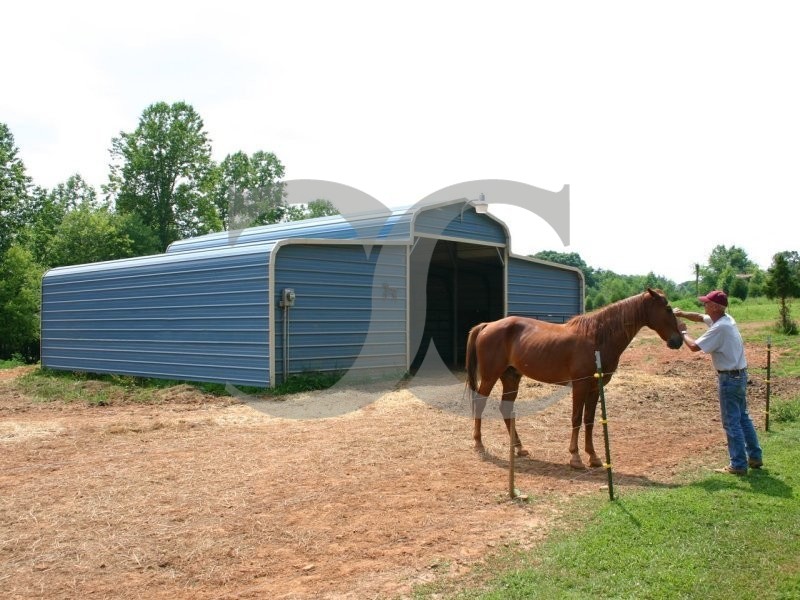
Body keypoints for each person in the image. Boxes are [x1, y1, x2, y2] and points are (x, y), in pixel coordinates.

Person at [674, 290, 763, 475]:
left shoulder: (720, 328)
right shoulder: (726, 319)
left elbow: (694, 346)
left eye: (707, 303)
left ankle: (738, 464)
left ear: (715, 307)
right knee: (743, 417)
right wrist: (682, 313)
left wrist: (683, 331)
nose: (704, 305)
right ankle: (754, 456)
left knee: (731, 422)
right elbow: (700, 317)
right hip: (739, 375)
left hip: (729, 379)